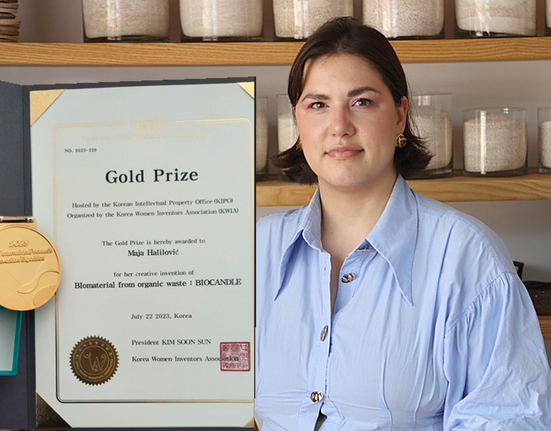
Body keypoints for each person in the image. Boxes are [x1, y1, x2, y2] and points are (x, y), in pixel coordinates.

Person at [255, 16, 551, 431]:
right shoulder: (256, 250)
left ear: (399, 114)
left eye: (362, 102)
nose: (339, 127)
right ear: (298, 123)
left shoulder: (467, 256)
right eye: (318, 105)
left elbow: (509, 419)